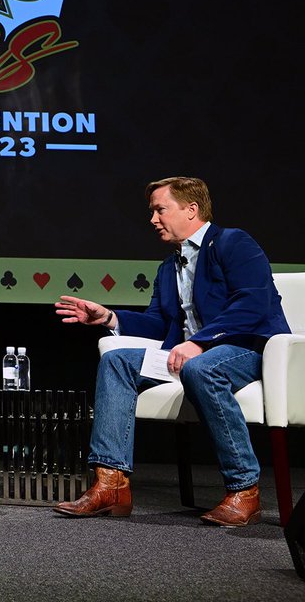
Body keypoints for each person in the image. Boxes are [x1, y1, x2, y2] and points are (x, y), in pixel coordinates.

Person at [54, 176, 289, 527]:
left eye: (159, 210)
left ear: (191, 209)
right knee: (117, 361)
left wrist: (200, 342)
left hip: (246, 348)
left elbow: (252, 303)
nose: (153, 219)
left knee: (201, 368)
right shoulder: (169, 267)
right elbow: (158, 324)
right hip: (189, 355)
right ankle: (111, 484)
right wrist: (110, 316)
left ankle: (244, 490)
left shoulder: (233, 243)